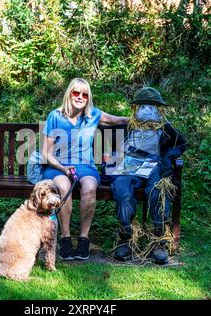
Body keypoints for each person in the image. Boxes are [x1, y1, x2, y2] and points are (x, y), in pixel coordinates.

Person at [41, 78, 128, 261]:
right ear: (69, 94)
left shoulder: (93, 115)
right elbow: (46, 153)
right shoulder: (55, 116)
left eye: (85, 94)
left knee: (89, 187)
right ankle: (65, 238)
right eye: (76, 93)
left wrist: (140, 119)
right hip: (57, 167)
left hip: (85, 167)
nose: (80, 97)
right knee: (63, 187)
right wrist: (63, 168)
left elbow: (116, 120)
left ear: (88, 98)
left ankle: (83, 239)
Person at [109, 86, 187, 264]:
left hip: (154, 164)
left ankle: (158, 240)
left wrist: (168, 157)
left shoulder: (165, 127)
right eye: (143, 106)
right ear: (136, 108)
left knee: (157, 190)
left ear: (159, 109)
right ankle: (126, 238)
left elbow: (181, 144)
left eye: (152, 106)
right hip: (130, 163)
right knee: (122, 188)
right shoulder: (128, 126)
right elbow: (112, 146)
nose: (147, 110)